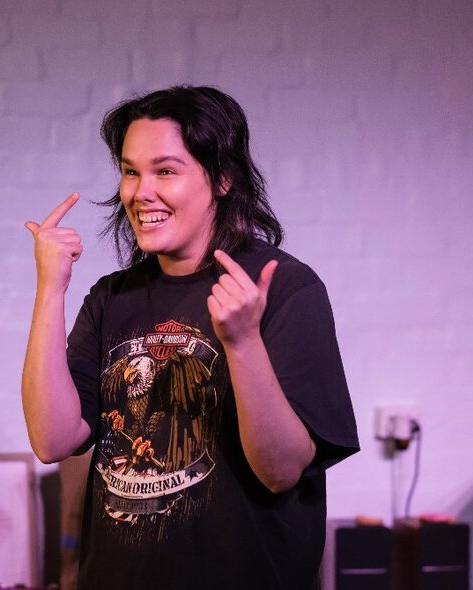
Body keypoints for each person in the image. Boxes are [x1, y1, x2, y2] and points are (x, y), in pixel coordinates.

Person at [22, 85, 359, 589]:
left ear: (222, 178)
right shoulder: (114, 297)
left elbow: (281, 470)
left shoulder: (283, 287)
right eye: (131, 171)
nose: (140, 193)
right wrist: (51, 289)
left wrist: (242, 342)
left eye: (166, 171)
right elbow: (53, 440)